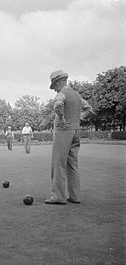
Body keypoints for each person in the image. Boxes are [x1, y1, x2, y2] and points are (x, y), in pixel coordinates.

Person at [45, 70, 93, 205]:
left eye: (54, 85)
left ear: (59, 82)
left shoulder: (62, 94)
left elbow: (58, 104)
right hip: (76, 131)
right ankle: (75, 196)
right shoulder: (77, 95)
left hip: (63, 132)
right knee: (72, 164)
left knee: (58, 164)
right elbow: (89, 108)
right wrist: (78, 117)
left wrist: (61, 117)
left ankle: (58, 196)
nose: (54, 89)